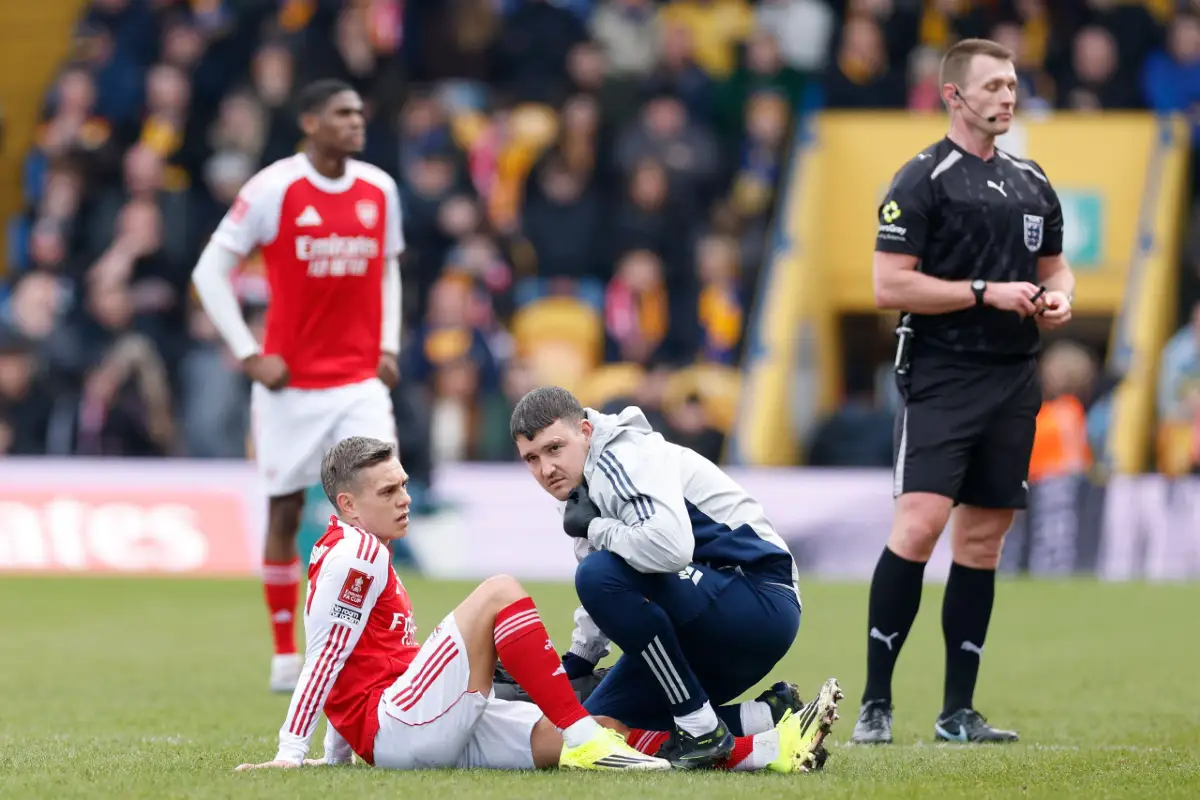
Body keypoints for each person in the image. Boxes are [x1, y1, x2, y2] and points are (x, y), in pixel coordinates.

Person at [234, 436, 834, 774]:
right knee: (499, 593)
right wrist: (294, 754)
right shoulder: (358, 554)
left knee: (596, 732)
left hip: (405, 730)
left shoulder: (355, 548)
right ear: (347, 503)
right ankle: (579, 727)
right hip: (399, 726)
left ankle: (769, 739)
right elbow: (326, 658)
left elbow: (351, 663)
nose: (405, 499)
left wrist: (340, 757)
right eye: (388, 491)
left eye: (405, 484)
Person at [853, 38, 1075, 745]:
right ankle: (875, 704)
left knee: (983, 542)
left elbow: (1057, 270)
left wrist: (1059, 299)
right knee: (918, 527)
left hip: (1014, 377)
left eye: (1013, 86)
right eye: (994, 87)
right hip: (943, 374)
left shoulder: (1033, 180)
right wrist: (984, 292)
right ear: (954, 96)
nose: (1008, 97)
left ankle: (957, 713)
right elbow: (889, 285)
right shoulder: (922, 179)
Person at [191, 79, 404, 693]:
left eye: (360, 112)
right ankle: (286, 655)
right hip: (291, 386)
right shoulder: (273, 187)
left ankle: (376, 644)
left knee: (384, 496)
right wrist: (249, 353)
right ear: (310, 121)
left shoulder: (379, 189)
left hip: (360, 381)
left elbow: (387, 269)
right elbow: (210, 271)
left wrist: (388, 343)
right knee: (284, 509)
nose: (356, 121)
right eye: (342, 113)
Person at [510, 387, 837, 769]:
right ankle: (768, 719)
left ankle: (699, 726)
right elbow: (611, 563)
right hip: (706, 610)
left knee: (597, 575)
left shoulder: (623, 457)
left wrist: (597, 528)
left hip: (759, 599)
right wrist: (580, 659)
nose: (545, 469)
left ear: (584, 431)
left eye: (554, 448)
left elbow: (669, 550)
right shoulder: (581, 482)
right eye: (531, 458)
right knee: (598, 727)